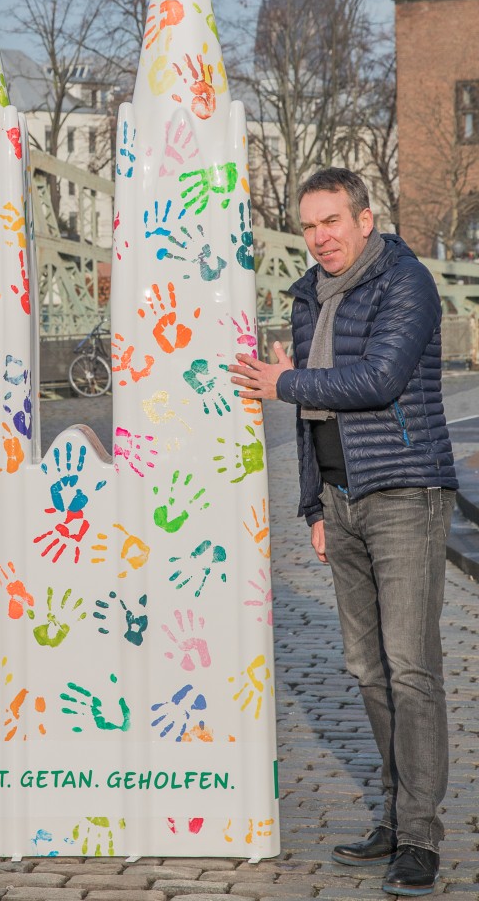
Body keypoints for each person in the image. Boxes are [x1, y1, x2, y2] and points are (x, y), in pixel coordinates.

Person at [229, 167, 456, 899]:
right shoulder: (308, 297)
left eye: (333, 221)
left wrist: (283, 383)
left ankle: (420, 838)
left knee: (411, 668)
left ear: (365, 220)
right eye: (310, 226)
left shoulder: (406, 283)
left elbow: (380, 380)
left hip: (405, 492)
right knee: (366, 669)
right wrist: (315, 506)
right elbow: (311, 422)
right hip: (343, 498)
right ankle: (393, 817)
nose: (321, 237)